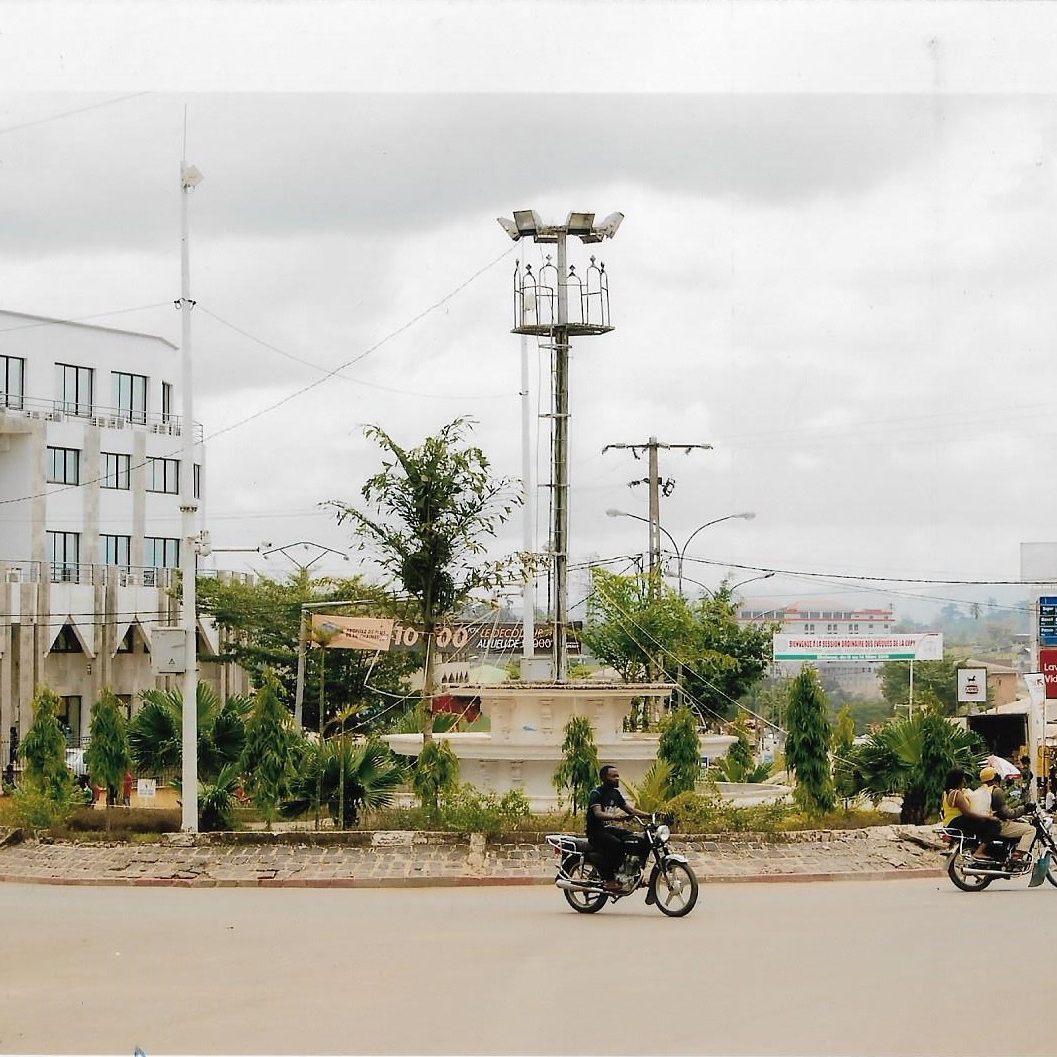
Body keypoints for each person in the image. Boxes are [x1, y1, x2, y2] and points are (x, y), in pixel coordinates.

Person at [586, 764, 652, 892]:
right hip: (596, 831)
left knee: (635, 839)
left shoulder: (615, 794)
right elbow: (598, 813)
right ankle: (609, 879)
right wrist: (615, 818)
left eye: (617, 776)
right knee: (617, 845)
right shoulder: (596, 793)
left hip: (609, 829)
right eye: (613, 776)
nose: (617, 779)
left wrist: (650, 815)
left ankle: (635, 874)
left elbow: (630, 810)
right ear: (604, 778)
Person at [941, 768, 1001, 860]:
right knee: (995, 825)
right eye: (963, 778)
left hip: (949, 822)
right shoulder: (957, 794)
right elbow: (968, 813)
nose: (964, 780)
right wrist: (989, 817)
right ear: (959, 779)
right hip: (958, 821)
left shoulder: (946, 793)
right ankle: (979, 852)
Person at [981, 765, 1034, 861]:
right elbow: (1007, 813)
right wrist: (1024, 809)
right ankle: (1017, 856)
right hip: (998, 824)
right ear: (996, 778)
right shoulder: (996, 791)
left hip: (986, 824)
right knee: (1030, 829)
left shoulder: (982, 790)